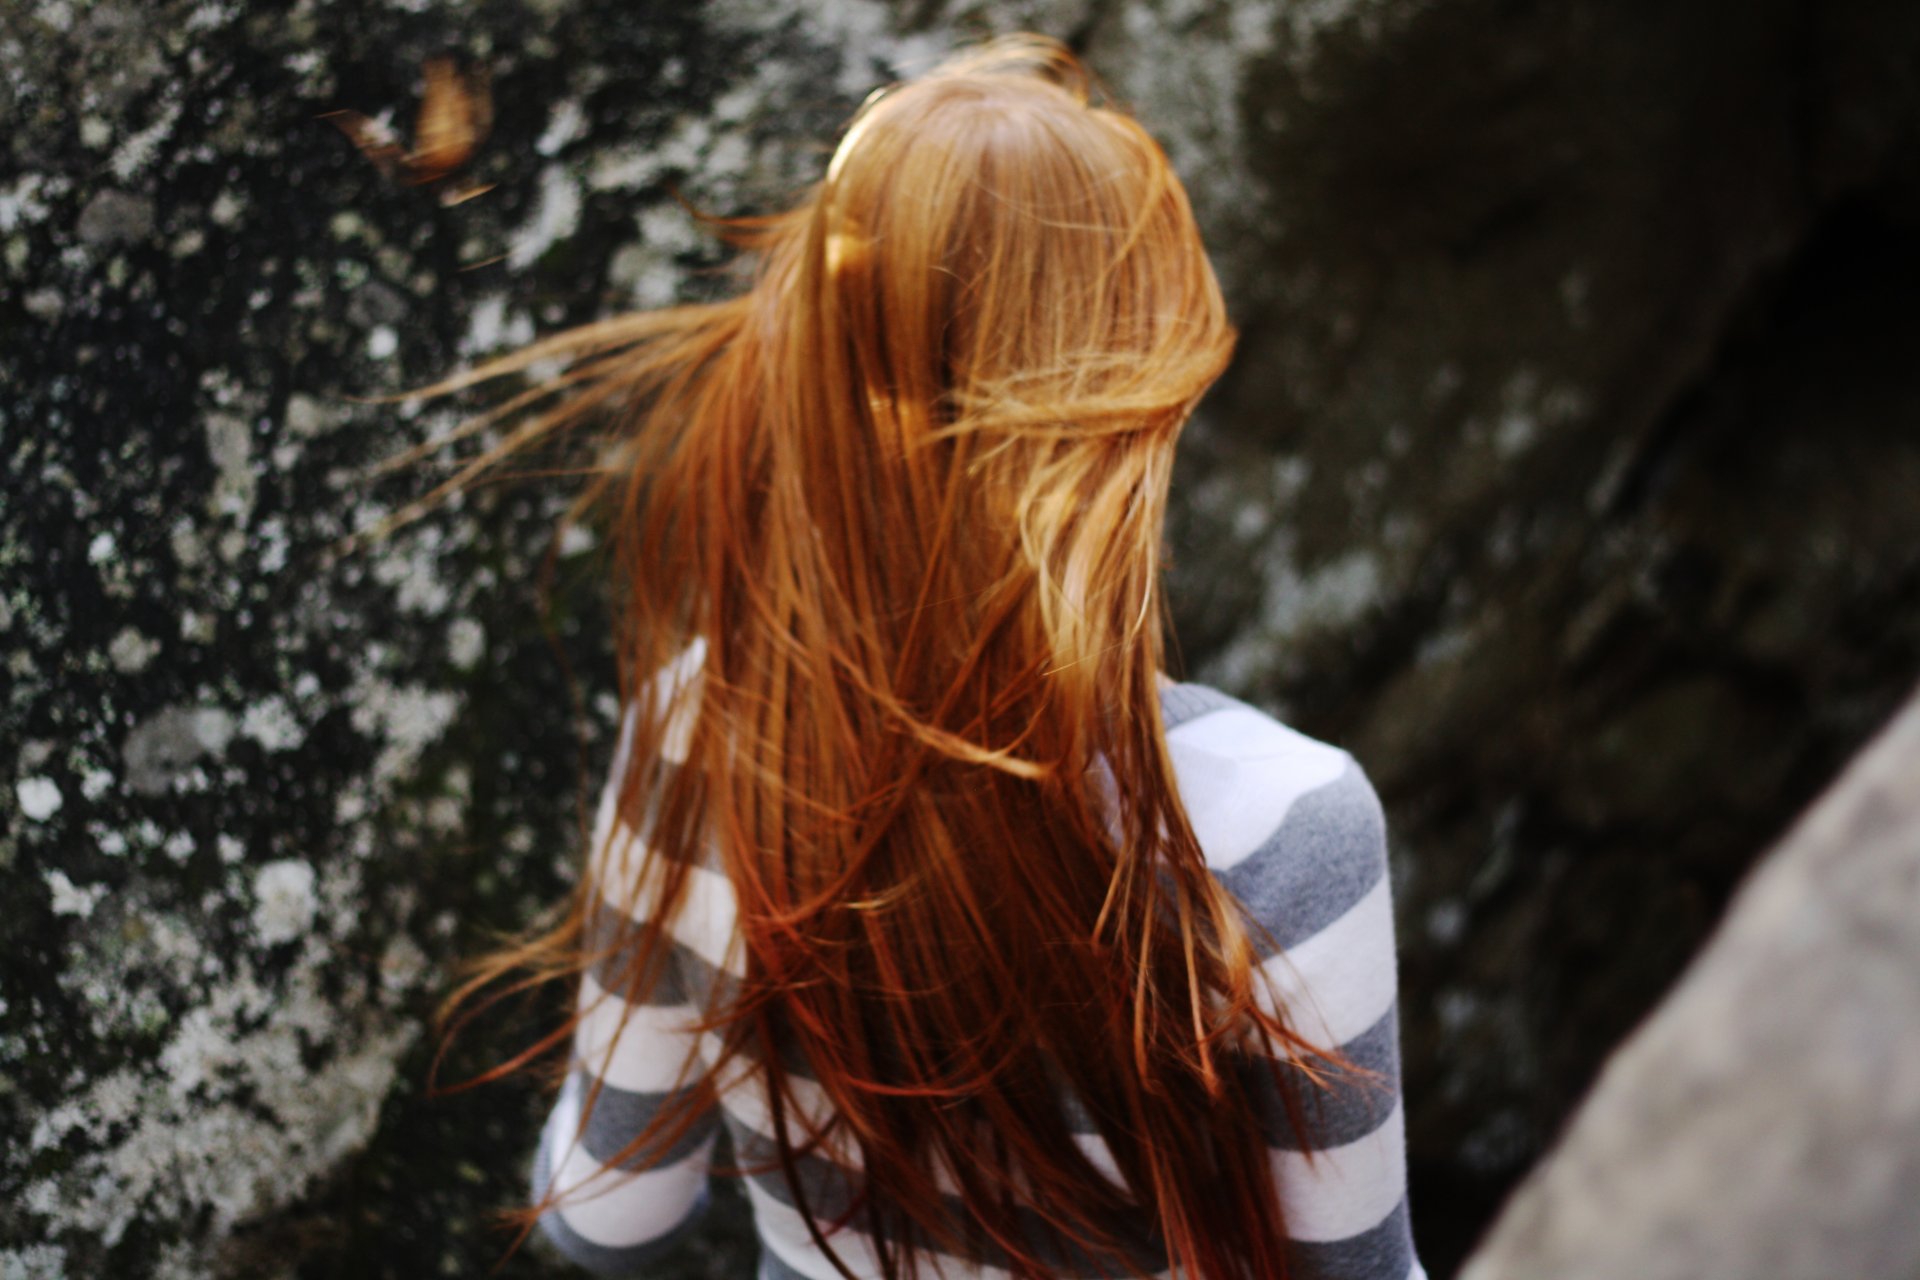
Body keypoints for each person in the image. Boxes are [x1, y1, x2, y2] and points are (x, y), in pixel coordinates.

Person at [433, 34, 1424, 1280]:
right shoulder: (1286, 820)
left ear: (807, 373)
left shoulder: (700, 723)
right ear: (1131, 414)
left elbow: (603, 1213)